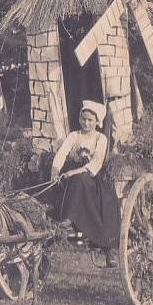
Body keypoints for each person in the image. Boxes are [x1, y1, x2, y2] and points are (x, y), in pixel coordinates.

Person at [51, 100, 120, 268]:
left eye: (90, 120)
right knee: (66, 184)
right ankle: (59, 220)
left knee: (81, 181)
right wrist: (55, 169)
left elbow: (96, 164)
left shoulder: (101, 138)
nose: (86, 123)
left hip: (94, 178)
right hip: (74, 176)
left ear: (97, 122)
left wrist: (74, 172)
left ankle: (72, 218)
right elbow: (62, 152)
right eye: (83, 119)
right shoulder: (74, 135)